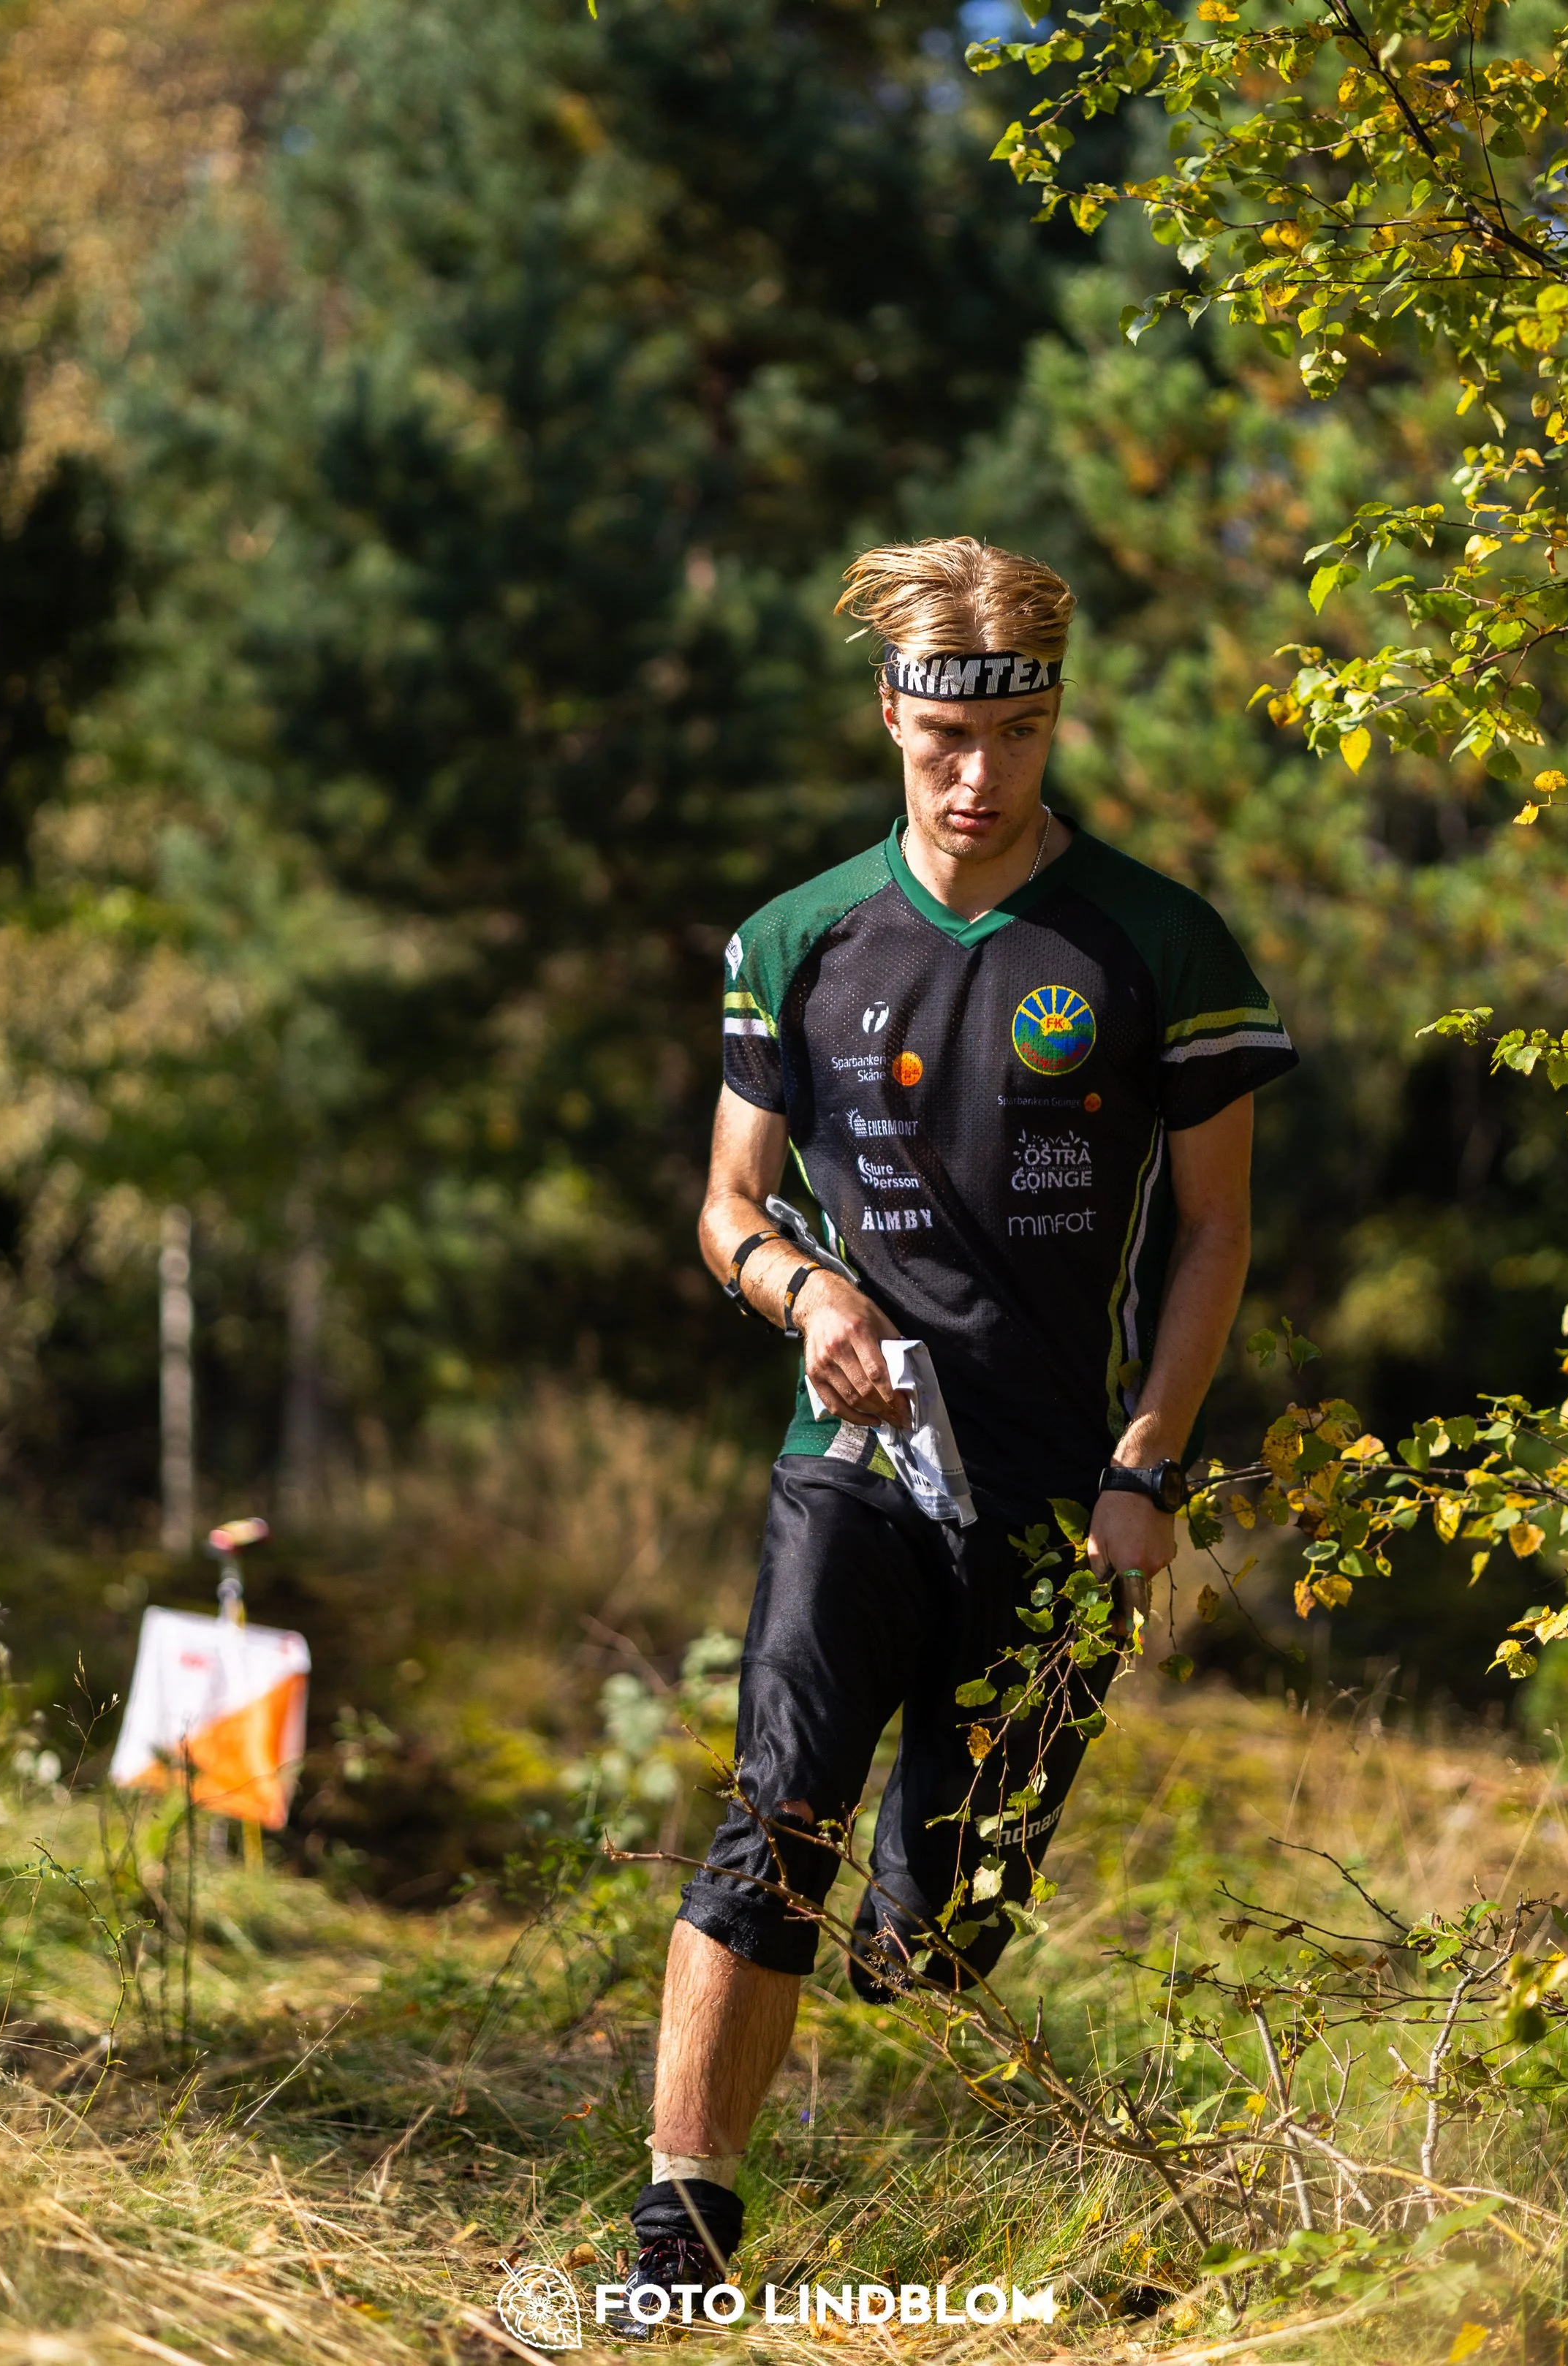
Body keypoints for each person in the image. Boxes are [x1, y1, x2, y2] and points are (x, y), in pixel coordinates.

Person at [617, 536, 1296, 2318]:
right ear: (890, 719)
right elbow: (725, 1205)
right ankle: (679, 2242)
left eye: (1010, 741)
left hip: (1060, 1497)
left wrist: (1145, 1468)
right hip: (851, 1464)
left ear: (1054, 718)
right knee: (773, 1817)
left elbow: (1215, 1229)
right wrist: (807, 1298)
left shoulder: (1155, 941)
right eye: (937, 744)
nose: (975, 781)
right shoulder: (795, 938)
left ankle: (931, 2080)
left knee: (937, 1934)